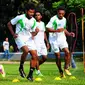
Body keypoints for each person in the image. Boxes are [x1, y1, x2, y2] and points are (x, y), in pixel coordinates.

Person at [7, 3, 39, 81]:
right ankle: (21, 67)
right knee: (26, 50)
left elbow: (32, 33)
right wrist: (13, 34)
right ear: (26, 11)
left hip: (29, 38)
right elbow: (9, 24)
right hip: (19, 37)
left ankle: (30, 75)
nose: (32, 14)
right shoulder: (19, 17)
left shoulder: (34, 21)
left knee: (35, 55)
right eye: (30, 12)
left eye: (33, 12)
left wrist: (36, 32)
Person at [46, 6, 75, 77]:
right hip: (53, 40)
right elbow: (47, 29)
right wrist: (56, 30)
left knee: (67, 52)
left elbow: (63, 29)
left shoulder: (64, 19)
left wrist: (69, 33)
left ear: (64, 13)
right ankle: (60, 71)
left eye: (62, 14)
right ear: (57, 13)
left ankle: (66, 68)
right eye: (60, 13)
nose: (61, 15)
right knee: (58, 56)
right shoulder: (53, 19)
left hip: (62, 38)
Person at [34, 11, 50, 76]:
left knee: (45, 57)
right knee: (37, 57)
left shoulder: (43, 23)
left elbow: (44, 33)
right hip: (36, 42)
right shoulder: (33, 23)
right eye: (36, 15)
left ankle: (34, 66)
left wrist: (47, 42)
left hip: (42, 42)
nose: (37, 16)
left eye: (38, 15)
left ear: (41, 16)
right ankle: (38, 71)